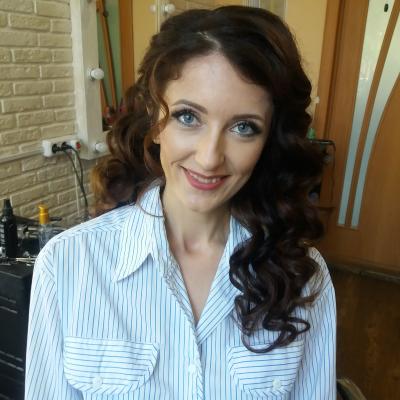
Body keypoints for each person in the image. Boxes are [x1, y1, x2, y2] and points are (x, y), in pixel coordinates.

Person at [25, 6, 336, 399]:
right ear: (155, 121)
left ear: (268, 142)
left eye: (244, 127)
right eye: (188, 117)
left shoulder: (304, 275)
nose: (209, 158)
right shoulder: (67, 264)